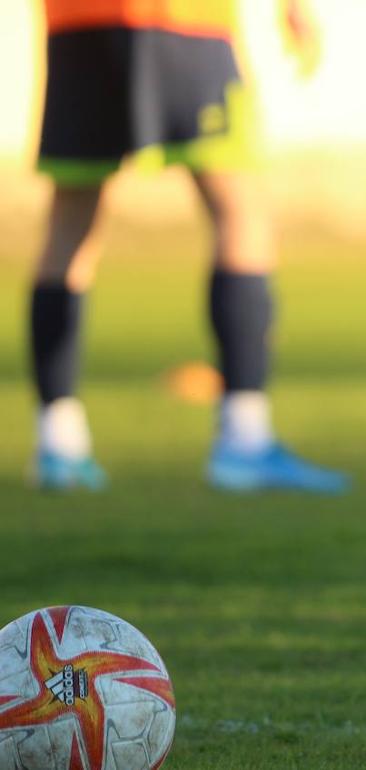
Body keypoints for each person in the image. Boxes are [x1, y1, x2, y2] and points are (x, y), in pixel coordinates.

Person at [30, 0, 348, 492]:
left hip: (78, 22)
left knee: (70, 222)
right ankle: (244, 440)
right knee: (242, 210)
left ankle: (58, 442)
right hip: (184, 18)